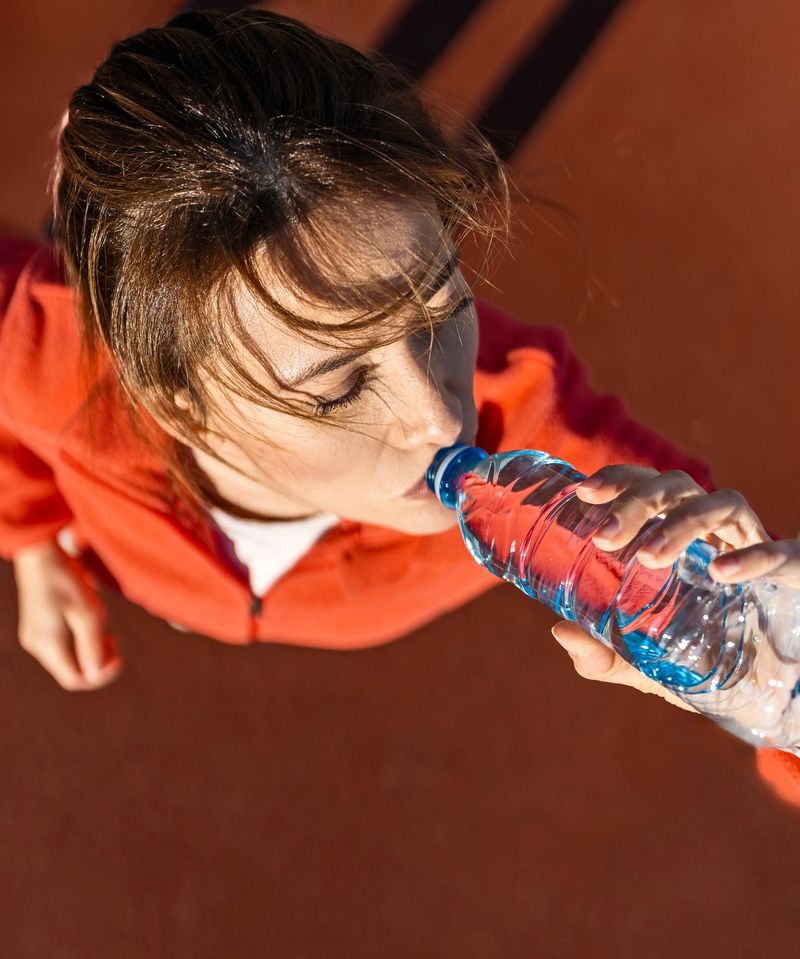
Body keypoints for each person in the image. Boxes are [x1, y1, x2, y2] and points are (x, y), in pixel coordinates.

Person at [1, 8, 798, 801]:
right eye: (340, 385)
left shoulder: (570, 463)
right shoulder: (40, 350)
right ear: (180, 407)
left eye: (442, 309)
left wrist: (782, 682)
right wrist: (31, 539)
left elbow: (747, 628)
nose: (443, 418)